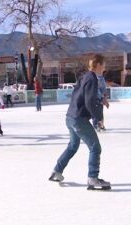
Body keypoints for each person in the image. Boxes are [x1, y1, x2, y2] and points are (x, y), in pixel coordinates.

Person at [49, 54, 111, 190]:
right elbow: (89, 101)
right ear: (99, 65)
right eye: (104, 64)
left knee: (73, 146)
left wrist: (100, 100)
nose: (105, 67)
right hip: (79, 119)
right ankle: (93, 178)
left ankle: (56, 172)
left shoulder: (85, 76)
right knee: (95, 147)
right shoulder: (92, 78)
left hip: (70, 117)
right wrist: (98, 118)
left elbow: (84, 97)